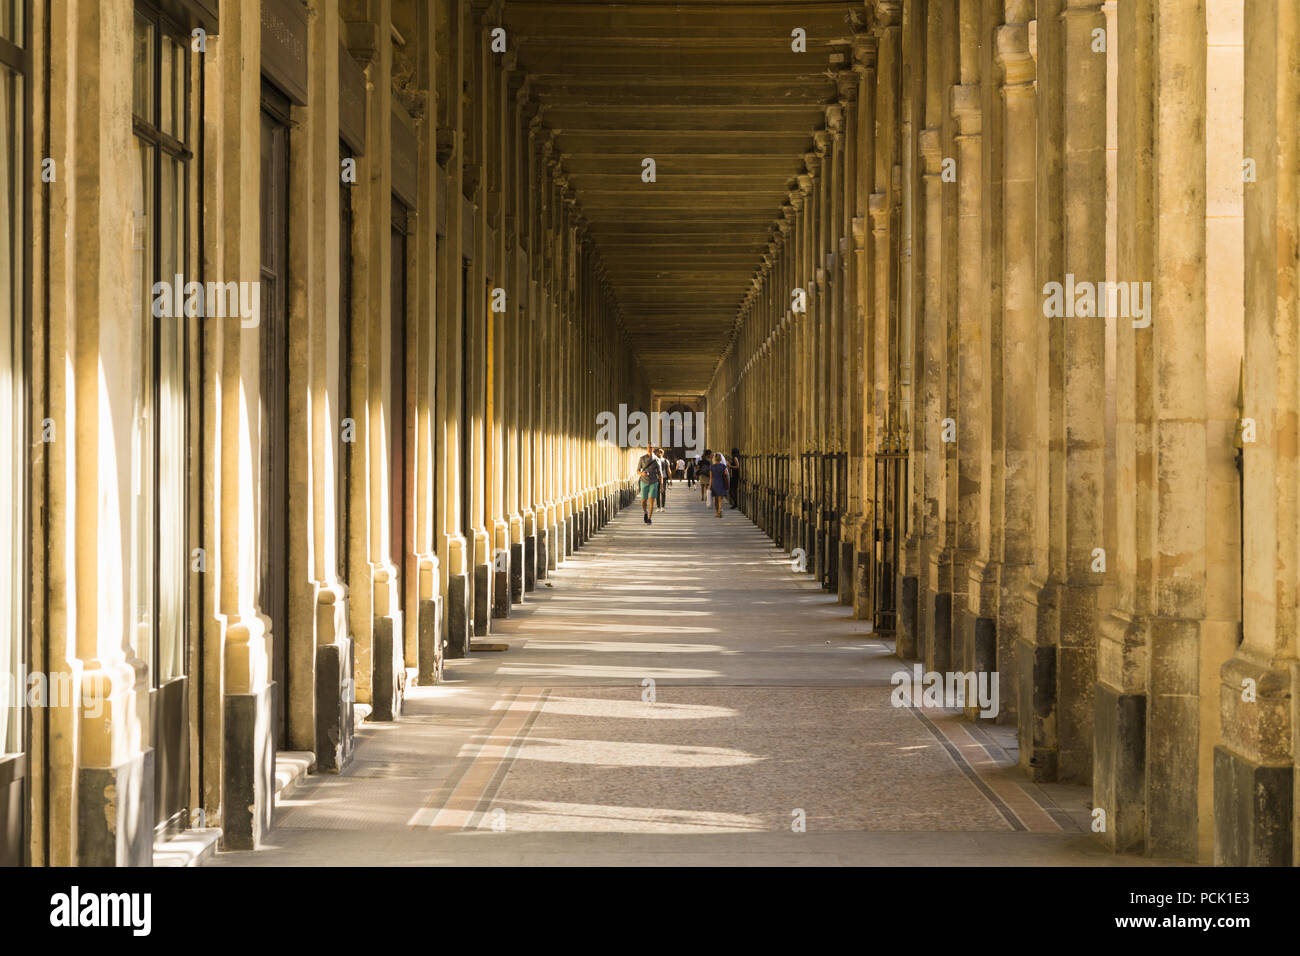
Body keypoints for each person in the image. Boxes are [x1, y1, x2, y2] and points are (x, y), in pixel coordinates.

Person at [636, 444, 661, 524]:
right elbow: (637, 471)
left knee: (651, 500)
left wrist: (662, 485)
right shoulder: (642, 458)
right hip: (644, 481)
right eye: (648, 447)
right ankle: (645, 513)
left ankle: (649, 518)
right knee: (643, 501)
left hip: (654, 481)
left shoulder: (657, 459)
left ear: (653, 449)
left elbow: (660, 473)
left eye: (650, 447)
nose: (649, 449)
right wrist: (642, 473)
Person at [709, 451, 730, 518]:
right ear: (720, 459)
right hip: (721, 482)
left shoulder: (712, 467)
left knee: (716, 499)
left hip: (714, 483)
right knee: (720, 498)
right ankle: (719, 511)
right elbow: (726, 474)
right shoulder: (723, 466)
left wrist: (709, 486)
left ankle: (717, 512)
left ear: (714, 459)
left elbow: (711, 478)